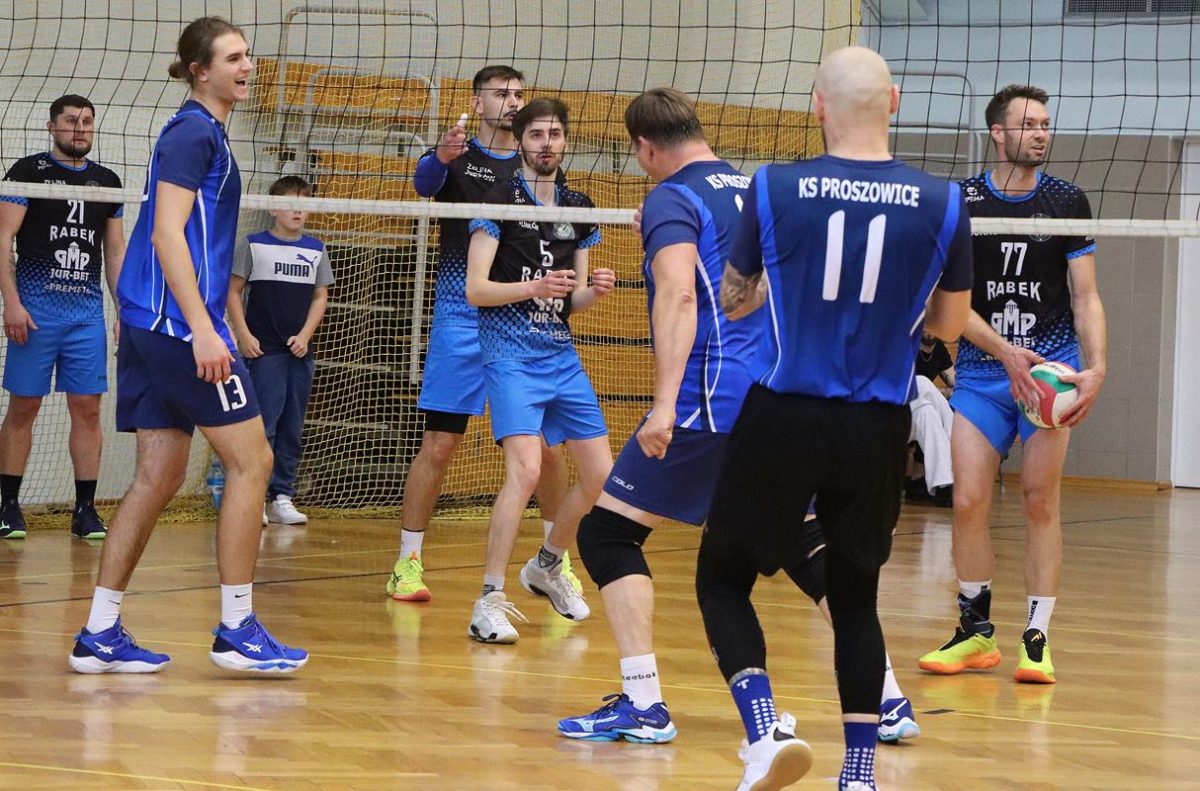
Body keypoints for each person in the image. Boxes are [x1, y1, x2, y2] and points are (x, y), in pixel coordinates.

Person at [695, 46, 973, 791]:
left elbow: (736, 299)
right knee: (855, 599)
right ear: (896, 101)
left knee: (722, 577)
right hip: (876, 425)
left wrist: (781, 288)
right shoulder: (946, 202)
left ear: (817, 105)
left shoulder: (773, 185)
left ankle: (764, 732)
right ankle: (858, 774)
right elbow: (948, 324)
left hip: (784, 413)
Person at [68, 16, 307, 675]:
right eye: (233, 57)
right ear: (200, 71)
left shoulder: (207, 133)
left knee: (159, 476)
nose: (247, 66)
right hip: (178, 327)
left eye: (248, 55)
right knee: (253, 461)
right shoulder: (192, 133)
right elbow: (167, 233)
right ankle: (236, 627)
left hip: (153, 323)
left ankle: (99, 630)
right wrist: (205, 327)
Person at [918, 84, 1106, 685]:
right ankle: (975, 633)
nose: (1040, 133)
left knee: (1039, 500)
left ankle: (1036, 638)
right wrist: (1004, 353)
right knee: (968, 501)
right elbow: (944, 304)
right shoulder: (961, 201)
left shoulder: (1067, 200)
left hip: (1050, 373)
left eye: (1045, 124)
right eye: (1028, 124)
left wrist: (1096, 368)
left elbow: (1085, 296)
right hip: (983, 372)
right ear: (997, 133)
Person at [385, 65, 572, 604]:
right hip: (460, 319)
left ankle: (553, 563)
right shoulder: (455, 155)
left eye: (518, 93)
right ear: (477, 102)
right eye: (501, 93)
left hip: (522, 324)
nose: (512, 101)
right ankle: (407, 564)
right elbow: (424, 183)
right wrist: (439, 158)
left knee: (546, 449)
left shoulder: (537, 161)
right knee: (440, 444)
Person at [464, 97, 616, 644]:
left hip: (561, 356)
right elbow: (476, 290)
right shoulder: (498, 200)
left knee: (601, 478)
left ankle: (547, 566)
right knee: (526, 471)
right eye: (536, 135)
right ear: (521, 141)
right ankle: (488, 601)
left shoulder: (578, 205)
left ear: (565, 141)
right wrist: (534, 286)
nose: (546, 143)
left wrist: (593, 291)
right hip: (509, 355)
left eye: (554, 134)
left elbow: (571, 300)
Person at [0, 94, 125, 540]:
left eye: (87, 121)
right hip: (35, 312)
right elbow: (3, 238)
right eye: (71, 121)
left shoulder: (108, 181)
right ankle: (8, 506)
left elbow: (115, 252)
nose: (80, 128)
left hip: (86, 316)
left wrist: (123, 311)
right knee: (25, 406)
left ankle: (85, 511)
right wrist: (11, 303)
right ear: (52, 126)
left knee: (88, 409)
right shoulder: (27, 172)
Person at [227, 175, 332, 526]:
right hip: (264, 351)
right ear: (273, 208)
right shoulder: (253, 244)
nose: (297, 211)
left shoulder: (315, 249)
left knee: (292, 426)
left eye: (304, 205)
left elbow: (320, 297)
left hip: (299, 352)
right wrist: (243, 335)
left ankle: (281, 496)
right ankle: (254, 496)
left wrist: (305, 335)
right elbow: (233, 292)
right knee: (263, 426)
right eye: (290, 204)